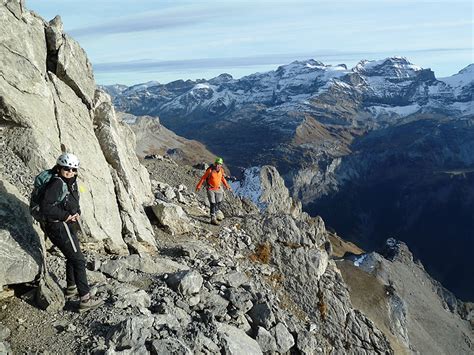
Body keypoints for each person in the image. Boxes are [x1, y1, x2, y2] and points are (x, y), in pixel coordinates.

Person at [40, 153, 102, 312]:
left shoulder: (71, 181)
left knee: (72, 256)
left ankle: (71, 287)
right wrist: (66, 215)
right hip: (58, 226)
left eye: (73, 169)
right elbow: (46, 207)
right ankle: (85, 299)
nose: (70, 172)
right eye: (66, 168)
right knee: (79, 260)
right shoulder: (56, 183)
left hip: (67, 224)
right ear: (60, 168)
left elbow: (72, 200)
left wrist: (77, 212)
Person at [196, 157, 232, 225]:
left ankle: (215, 213)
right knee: (213, 203)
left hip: (218, 189)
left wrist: (227, 186)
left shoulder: (221, 170)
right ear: (215, 164)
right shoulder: (210, 170)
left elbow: (223, 179)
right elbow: (203, 178)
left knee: (219, 202)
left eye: (220, 164)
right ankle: (213, 218)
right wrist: (199, 186)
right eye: (217, 164)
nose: (218, 165)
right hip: (210, 189)